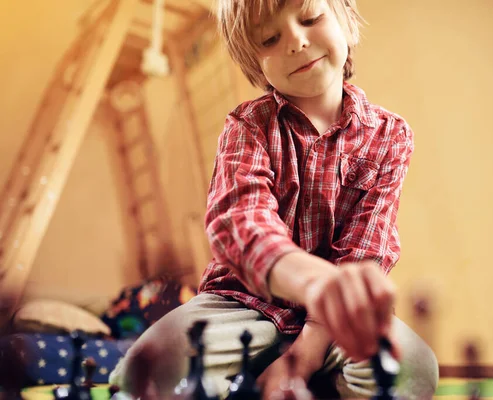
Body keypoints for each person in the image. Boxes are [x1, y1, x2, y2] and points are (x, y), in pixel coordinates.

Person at [109, 0, 439, 398]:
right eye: (269, 38)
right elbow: (238, 220)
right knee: (148, 367)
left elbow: (367, 247)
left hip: (336, 322)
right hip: (239, 305)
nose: (296, 42)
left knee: (415, 369)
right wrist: (314, 282)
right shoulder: (247, 125)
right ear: (254, 64)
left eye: (311, 18)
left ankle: (304, 382)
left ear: (347, 23)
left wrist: (310, 347)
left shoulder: (390, 135)